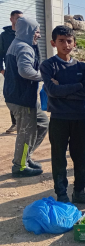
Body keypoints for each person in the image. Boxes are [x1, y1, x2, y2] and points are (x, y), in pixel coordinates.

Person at [40, 25, 85, 204]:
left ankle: (79, 191)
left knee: (80, 157)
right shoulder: (48, 65)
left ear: (75, 43)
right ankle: (61, 194)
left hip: (79, 117)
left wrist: (62, 90)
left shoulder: (82, 67)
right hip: (59, 118)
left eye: (69, 41)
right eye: (61, 41)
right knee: (59, 158)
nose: (66, 45)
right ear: (53, 43)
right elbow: (52, 91)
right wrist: (77, 86)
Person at [3, 17, 48, 177]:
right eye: (37, 32)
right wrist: (45, 76)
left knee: (42, 123)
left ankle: (25, 158)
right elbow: (25, 71)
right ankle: (20, 166)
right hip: (21, 98)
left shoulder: (18, 43)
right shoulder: (23, 47)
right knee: (26, 133)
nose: (39, 35)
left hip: (20, 96)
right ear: (28, 31)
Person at [0, 10, 24, 133]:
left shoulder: (25, 33)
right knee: (11, 96)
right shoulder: (4, 36)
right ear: (11, 19)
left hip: (25, 71)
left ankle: (28, 123)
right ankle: (15, 123)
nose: (20, 21)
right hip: (10, 72)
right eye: (17, 18)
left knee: (26, 96)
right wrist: (2, 69)